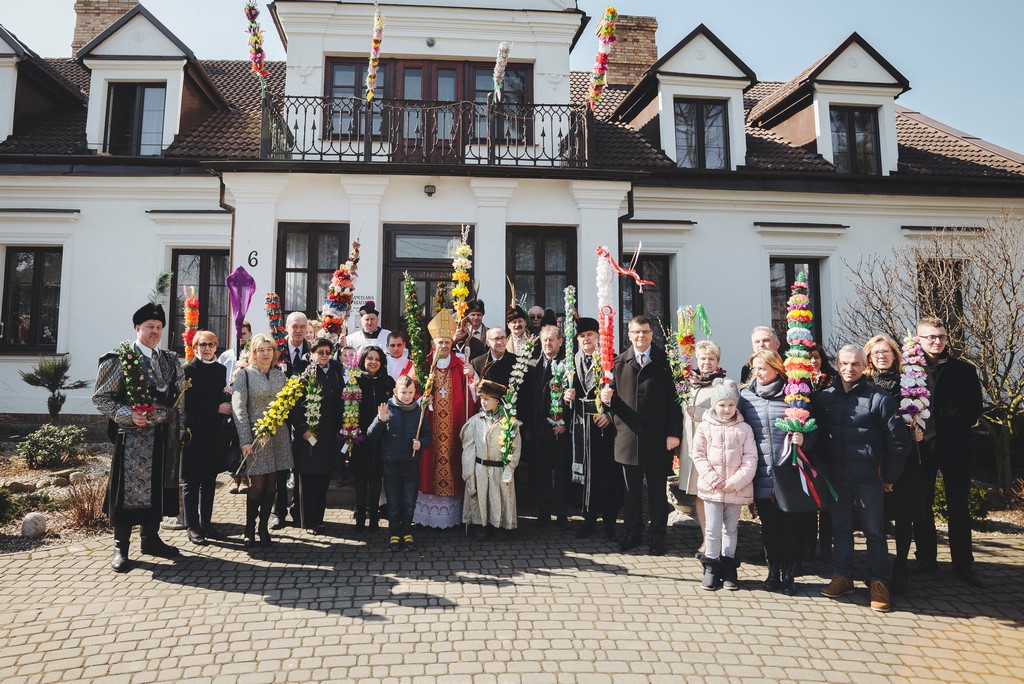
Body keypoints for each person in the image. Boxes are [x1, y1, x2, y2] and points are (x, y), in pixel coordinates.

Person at [94, 296, 185, 572]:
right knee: (128, 493)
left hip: (164, 436)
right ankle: (120, 547)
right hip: (133, 437)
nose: (155, 332)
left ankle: (150, 539)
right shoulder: (120, 359)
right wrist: (128, 415)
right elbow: (102, 398)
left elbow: (179, 397)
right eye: (149, 327)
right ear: (137, 328)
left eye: (159, 327)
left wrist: (180, 428)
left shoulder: (169, 360)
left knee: (157, 487)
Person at [817, 345, 909, 613]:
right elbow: (818, 436)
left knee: (874, 531)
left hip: (869, 478)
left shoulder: (880, 399)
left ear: (865, 366)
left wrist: (889, 476)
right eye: (844, 363)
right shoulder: (825, 398)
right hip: (837, 477)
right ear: (837, 365)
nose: (849, 369)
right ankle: (842, 576)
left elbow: (898, 442)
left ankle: (879, 582)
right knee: (841, 528)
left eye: (855, 364)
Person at [600, 315, 682, 555]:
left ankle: (658, 535)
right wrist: (605, 400)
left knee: (657, 492)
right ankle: (632, 532)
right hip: (628, 437)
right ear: (629, 334)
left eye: (645, 332)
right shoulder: (618, 363)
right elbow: (610, 399)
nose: (641, 336)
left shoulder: (666, 362)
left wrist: (673, 433)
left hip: (657, 437)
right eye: (636, 332)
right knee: (631, 492)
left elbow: (675, 401)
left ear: (652, 334)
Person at [915, 317, 984, 586]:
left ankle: (963, 565)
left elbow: (975, 407)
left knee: (958, 507)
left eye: (941, 336)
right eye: (931, 337)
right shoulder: (910, 370)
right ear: (919, 339)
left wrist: (957, 425)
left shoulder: (963, 370)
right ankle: (926, 559)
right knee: (922, 505)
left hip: (956, 446)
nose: (937, 341)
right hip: (923, 446)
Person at [738, 349, 808, 595]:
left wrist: (804, 439)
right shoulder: (746, 397)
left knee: (790, 526)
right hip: (760, 471)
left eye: (763, 368)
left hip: (787, 471)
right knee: (769, 527)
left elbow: (813, 428)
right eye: (755, 368)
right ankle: (772, 571)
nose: (758, 373)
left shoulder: (794, 396)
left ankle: (789, 573)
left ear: (777, 369)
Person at [691, 383, 758, 591]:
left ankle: (729, 566)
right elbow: (698, 455)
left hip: (735, 489)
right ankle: (711, 567)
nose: (727, 409)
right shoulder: (704, 427)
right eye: (722, 405)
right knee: (712, 529)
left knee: (730, 528)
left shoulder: (744, 429)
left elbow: (750, 458)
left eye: (731, 405)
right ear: (714, 405)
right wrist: (715, 480)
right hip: (713, 488)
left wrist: (735, 483)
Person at [864, 333, 916, 593]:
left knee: (904, 515)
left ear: (895, 356)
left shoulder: (909, 383)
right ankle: (878, 568)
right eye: (876, 353)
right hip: (874, 458)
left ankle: (901, 567)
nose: (881, 356)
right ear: (869, 358)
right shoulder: (864, 384)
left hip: (903, 456)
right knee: (876, 518)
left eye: (886, 351)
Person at [232, 334, 294, 547]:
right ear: (254, 353)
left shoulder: (280, 375)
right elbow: (239, 407)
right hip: (256, 436)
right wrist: (245, 439)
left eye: (269, 349)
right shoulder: (245, 375)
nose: (266, 354)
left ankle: (263, 528)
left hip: (278, 436)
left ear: (274, 353)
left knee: (271, 485)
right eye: (261, 350)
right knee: (257, 485)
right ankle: (249, 527)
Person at [414, 310, 471, 529]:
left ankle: (451, 517)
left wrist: (472, 377)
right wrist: (421, 398)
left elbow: (473, 396)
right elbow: (407, 389)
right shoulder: (422, 365)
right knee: (428, 462)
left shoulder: (461, 365)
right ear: (432, 343)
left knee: (453, 460)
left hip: (454, 428)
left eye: (447, 342)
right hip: (429, 427)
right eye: (440, 342)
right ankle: (427, 516)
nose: (444, 346)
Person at [565, 317, 620, 540]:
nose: (586, 339)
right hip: (581, 425)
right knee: (585, 473)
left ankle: (610, 522)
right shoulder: (571, 361)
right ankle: (588, 520)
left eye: (589, 335)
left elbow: (622, 394)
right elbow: (562, 394)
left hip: (603, 426)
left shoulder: (610, 360)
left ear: (598, 337)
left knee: (606, 473)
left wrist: (610, 415)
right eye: (582, 336)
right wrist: (566, 397)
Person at [367, 375, 432, 551]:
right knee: (394, 503)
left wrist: (421, 444)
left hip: (411, 465)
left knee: (409, 503)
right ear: (395, 391)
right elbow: (371, 435)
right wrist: (380, 420)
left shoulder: (418, 411)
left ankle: (407, 532)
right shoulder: (387, 409)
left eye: (410, 392)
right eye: (403, 392)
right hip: (391, 465)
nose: (407, 396)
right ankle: (394, 534)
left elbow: (427, 435)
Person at [679, 340, 730, 556]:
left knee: (714, 496)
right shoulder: (688, 384)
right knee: (700, 494)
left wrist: (701, 414)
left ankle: (721, 540)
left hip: (713, 451)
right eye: (702, 358)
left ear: (717, 361)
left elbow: (729, 414)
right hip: (692, 449)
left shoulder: (723, 385)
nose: (706, 362)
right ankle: (707, 538)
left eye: (711, 358)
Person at [181, 330, 232, 545]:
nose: (207, 348)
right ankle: (192, 525)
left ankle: (207, 523)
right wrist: (216, 407)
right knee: (192, 481)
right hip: (194, 433)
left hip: (214, 433)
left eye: (211, 344)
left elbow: (217, 394)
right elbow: (188, 403)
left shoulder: (220, 370)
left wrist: (228, 394)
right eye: (203, 344)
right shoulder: (187, 370)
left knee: (210, 480)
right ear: (195, 347)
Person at [289, 337, 343, 535]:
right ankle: (307, 520)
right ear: (311, 354)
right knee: (308, 479)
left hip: (328, 436)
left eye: (327, 352)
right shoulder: (303, 374)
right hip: (308, 436)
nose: (324, 356)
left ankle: (318, 519)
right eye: (320, 352)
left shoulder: (335, 372)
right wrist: (302, 429)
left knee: (322, 479)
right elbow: (294, 406)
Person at [523, 324, 571, 528]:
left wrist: (566, 422)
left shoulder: (568, 365)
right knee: (541, 471)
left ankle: (561, 513)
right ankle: (543, 512)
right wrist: (527, 427)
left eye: (552, 340)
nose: (548, 343)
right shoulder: (533, 364)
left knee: (560, 473)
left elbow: (574, 397)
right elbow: (526, 398)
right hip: (538, 428)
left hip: (559, 428)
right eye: (545, 340)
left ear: (560, 341)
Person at [461, 379, 521, 540]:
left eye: (487, 399)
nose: (483, 402)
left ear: (497, 400)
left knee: (498, 498)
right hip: (480, 468)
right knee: (480, 497)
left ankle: (499, 525)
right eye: (481, 398)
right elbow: (468, 448)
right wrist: (468, 472)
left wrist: (510, 467)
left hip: (499, 468)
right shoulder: (475, 422)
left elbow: (515, 447)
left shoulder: (509, 423)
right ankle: (480, 526)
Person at [352, 346, 396, 531]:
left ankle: (374, 517)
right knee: (360, 478)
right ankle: (360, 515)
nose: (373, 362)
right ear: (363, 361)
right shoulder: (354, 381)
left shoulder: (388, 382)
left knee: (376, 478)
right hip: (359, 437)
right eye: (369, 358)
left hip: (380, 437)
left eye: (377, 359)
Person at [273, 311, 309, 529]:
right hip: (281, 415)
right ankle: (279, 512)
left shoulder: (312, 352)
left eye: (302, 327)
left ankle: (298, 510)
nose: (298, 331)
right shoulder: (276, 350)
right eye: (294, 326)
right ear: (287, 327)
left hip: (305, 416)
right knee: (280, 466)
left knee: (300, 464)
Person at [803, 341, 837, 562]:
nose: (813, 361)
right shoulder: (797, 383)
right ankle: (808, 545)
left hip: (827, 446)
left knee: (826, 500)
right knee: (808, 499)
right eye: (808, 358)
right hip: (807, 446)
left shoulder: (832, 381)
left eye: (816, 357)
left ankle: (826, 545)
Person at [220, 320, 251, 495]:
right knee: (232, 440)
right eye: (238, 334)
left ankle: (245, 475)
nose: (241, 338)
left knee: (245, 439)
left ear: (250, 334)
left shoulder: (253, 354)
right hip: (230, 401)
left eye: (244, 334)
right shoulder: (226, 356)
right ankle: (234, 476)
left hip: (247, 402)